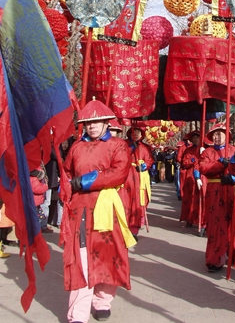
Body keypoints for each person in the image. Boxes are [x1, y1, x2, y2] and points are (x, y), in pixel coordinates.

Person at [62, 99, 135, 323]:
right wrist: (65, 185)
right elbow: (66, 172)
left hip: (107, 207)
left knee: (107, 256)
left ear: (106, 122)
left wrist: (82, 182)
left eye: (97, 122)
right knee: (81, 260)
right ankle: (78, 314)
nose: (92, 126)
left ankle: (102, 301)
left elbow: (118, 173)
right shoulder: (76, 147)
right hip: (80, 210)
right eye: (88, 122)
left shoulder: (118, 145)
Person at [198, 123, 235, 272]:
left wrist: (234, 176)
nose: (218, 136)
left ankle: (233, 253)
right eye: (215, 134)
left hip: (233, 189)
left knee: (234, 222)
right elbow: (204, 168)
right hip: (215, 189)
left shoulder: (234, 150)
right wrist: (221, 163)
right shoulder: (207, 152)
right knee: (216, 224)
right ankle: (215, 258)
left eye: (221, 133)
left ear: (227, 135)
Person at [125, 125, 154, 239]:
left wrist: (145, 165)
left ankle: (137, 224)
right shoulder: (125, 144)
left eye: (138, 132)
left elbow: (150, 160)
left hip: (141, 175)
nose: (136, 134)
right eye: (134, 132)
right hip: (128, 175)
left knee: (141, 200)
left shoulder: (145, 147)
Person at [180, 130, 206, 229]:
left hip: (202, 174)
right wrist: (193, 161)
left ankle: (202, 219)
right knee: (190, 197)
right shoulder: (188, 150)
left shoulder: (204, 149)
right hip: (190, 176)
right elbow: (184, 162)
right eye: (194, 138)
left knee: (201, 197)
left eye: (197, 137)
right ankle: (189, 218)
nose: (196, 139)